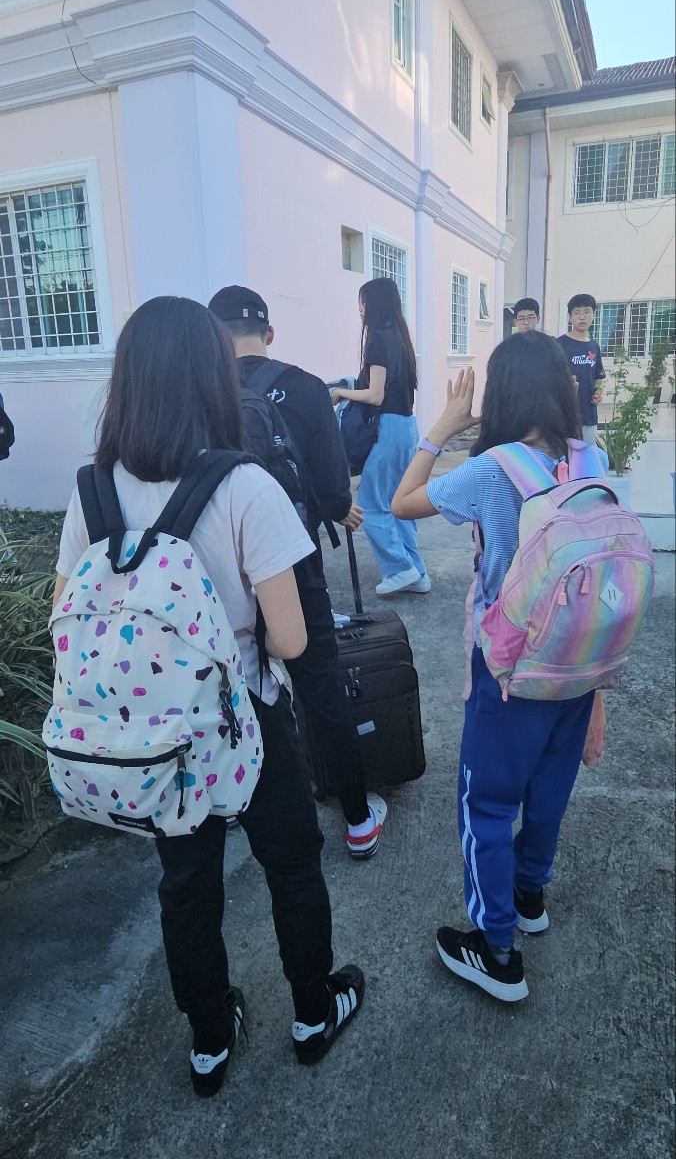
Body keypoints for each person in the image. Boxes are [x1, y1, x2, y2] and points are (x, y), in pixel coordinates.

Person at [52, 297, 365, 1096]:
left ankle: (209, 1039)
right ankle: (312, 1011)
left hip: (151, 730)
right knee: (291, 863)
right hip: (244, 718)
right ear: (214, 379)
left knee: (187, 883)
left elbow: (65, 620)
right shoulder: (245, 486)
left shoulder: (92, 491)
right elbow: (291, 641)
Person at [391, 331, 608, 1003]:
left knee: (485, 803)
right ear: (564, 390)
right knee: (549, 787)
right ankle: (529, 895)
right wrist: (600, 694)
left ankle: (497, 950)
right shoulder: (590, 458)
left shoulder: (491, 470)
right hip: (577, 662)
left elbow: (401, 503)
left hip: (510, 670)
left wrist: (443, 428)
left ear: (503, 395)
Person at [208, 285, 387, 860]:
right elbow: (334, 488)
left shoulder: (199, 390)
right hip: (292, 561)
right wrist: (339, 508)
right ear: (269, 333)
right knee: (319, 685)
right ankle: (357, 818)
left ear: (213, 336)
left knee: (229, 684)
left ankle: (231, 801)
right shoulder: (308, 387)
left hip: (216, 570)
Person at [331, 277, 428, 596]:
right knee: (399, 504)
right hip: (406, 426)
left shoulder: (377, 340)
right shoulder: (400, 338)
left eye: (362, 303)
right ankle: (418, 574)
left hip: (386, 428)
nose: (360, 310)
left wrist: (340, 393)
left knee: (371, 505)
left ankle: (400, 568)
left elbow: (375, 395)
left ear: (373, 304)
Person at [557, 293, 605, 445]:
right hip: (564, 416)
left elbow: (598, 376)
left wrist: (599, 393)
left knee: (587, 456)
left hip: (589, 416)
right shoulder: (559, 344)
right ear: (570, 317)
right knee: (565, 456)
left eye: (586, 312)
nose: (582, 317)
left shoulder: (594, 346)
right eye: (577, 313)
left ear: (593, 315)